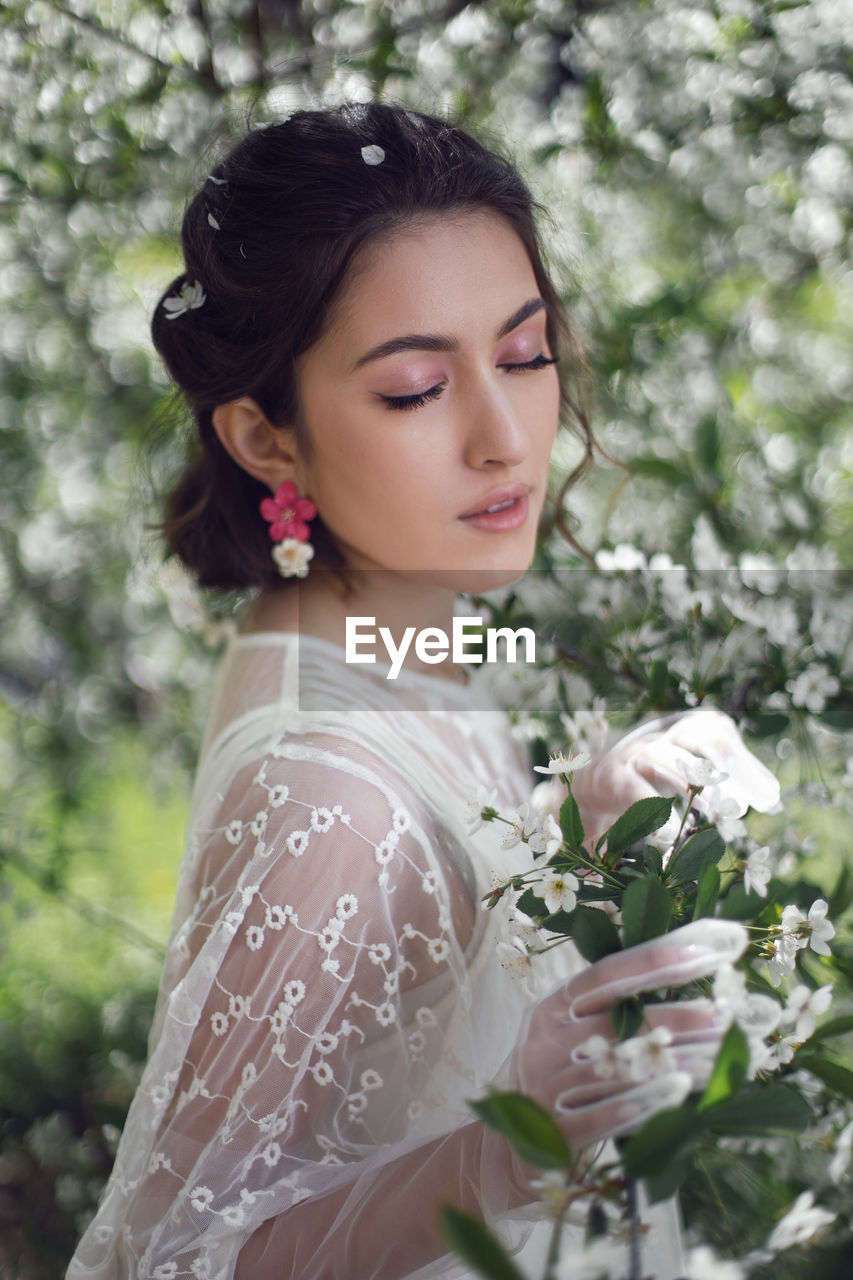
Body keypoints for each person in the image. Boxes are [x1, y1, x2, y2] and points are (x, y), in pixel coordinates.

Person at [66, 102, 779, 1280]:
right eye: (413, 388)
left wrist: (593, 835)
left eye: (523, 353)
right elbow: (175, 1254)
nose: (505, 436)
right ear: (264, 437)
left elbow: (436, 967)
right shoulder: (328, 798)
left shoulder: (387, 612)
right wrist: (502, 1152)